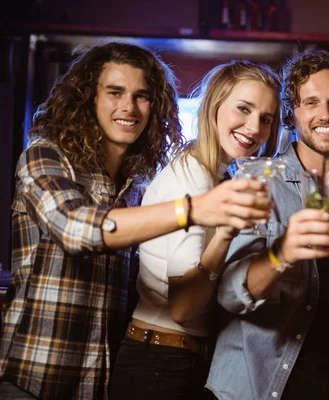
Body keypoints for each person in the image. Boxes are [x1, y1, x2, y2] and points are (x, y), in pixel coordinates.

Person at [0, 42, 271, 400]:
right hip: (34, 375)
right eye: (115, 92)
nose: (129, 107)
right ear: (87, 97)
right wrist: (193, 210)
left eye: (141, 96)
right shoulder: (45, 155)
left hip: (99, 378)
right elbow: (75, 228)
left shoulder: (138, 179)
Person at [109, 60, 282, 400]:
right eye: (243, 109)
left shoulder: (214, 173)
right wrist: (226, 234)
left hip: (171, 359)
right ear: (214, 107)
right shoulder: (196, 179)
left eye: (266, 119)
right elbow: (183, 309)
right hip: (159, 364)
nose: (253, 127)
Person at [206, 49, 329, 400]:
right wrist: (283, 255)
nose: (325, 114)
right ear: (292, 115)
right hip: (261, 389)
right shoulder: (257, 181)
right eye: (311, 102)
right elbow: (229, 295)